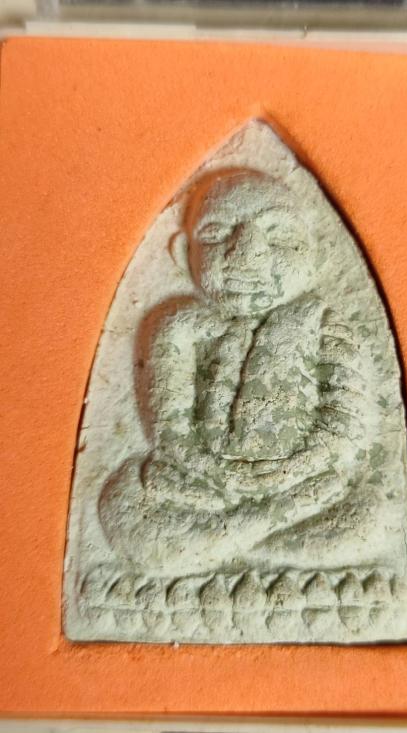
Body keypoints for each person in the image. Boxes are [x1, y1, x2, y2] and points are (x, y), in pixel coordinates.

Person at [99, 169, 371, 575]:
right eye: (216, 234)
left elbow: (344, 425)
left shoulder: (323, 324)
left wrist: (291, 471)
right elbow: (169, 432)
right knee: (122, 501)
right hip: (203, 487)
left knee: (366, 518)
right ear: (182, 254)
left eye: (278, 235)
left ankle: (224, 546)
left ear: (318, 254)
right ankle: (259, 534)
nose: (247, 254)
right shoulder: (179, 326)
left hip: (299, 481)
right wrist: (215, 472)